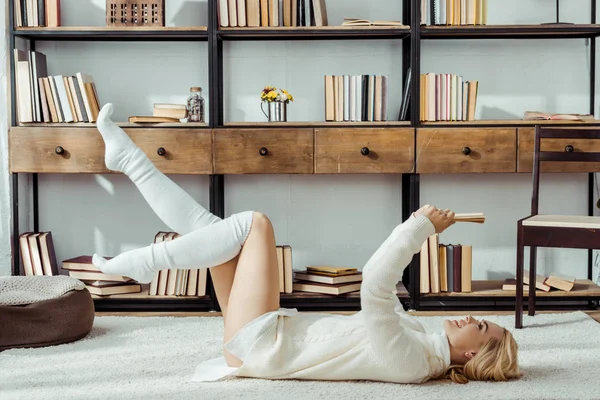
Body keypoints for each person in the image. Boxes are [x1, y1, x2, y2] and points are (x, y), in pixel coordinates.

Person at [92, 103, 521, 385]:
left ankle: (148, 263)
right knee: (212, 231)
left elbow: (374, 285)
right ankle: (129, 160)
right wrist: (421, 227)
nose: (471, 316)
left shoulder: (412, 361)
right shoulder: (418, 339)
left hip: (261, 346)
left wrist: (419, 228)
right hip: (267, 336)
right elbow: (383, 295)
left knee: (255, 225)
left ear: (468, 354)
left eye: (480, 326)